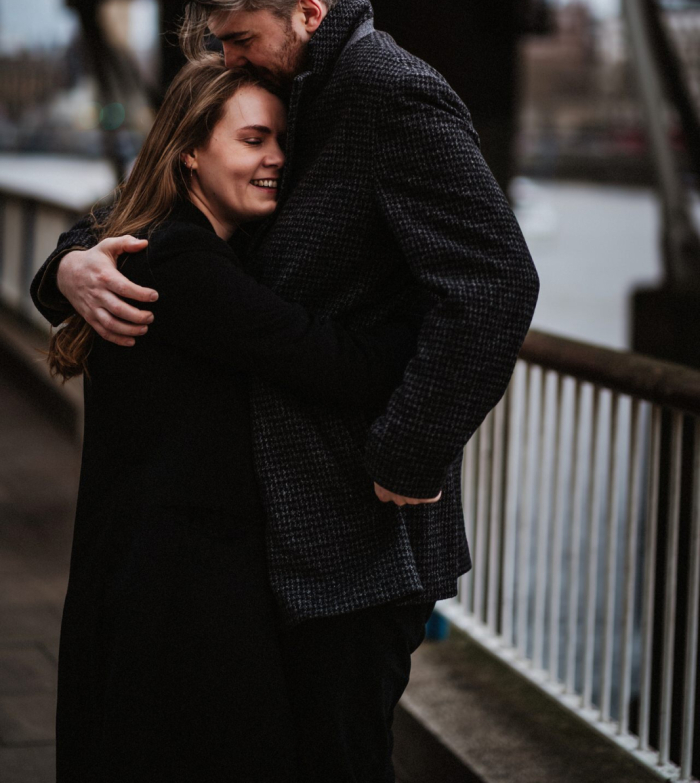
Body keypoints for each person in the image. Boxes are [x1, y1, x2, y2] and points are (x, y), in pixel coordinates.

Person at [32, 0, 540, 783]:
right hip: (283, 528)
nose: (232, 57)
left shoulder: (389, 95)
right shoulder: (294, 92)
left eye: (240, 37)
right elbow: (157, 202)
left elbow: (497, 282)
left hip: (355, 531)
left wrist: (408, 456)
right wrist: (68, 266)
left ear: (308, 12)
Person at [40, 56, 421, 783]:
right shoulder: (181, 263)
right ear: (189, 151)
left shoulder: (160, 238)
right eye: (253, 140)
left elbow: (90, 226)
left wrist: (59, 268)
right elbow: (332, 361)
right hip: (182, 595)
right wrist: (429, 318)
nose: (276, 158)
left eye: (282, 141)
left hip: (147, 572)